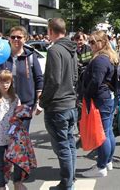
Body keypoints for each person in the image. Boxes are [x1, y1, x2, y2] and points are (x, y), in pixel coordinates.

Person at [0, 26, 43, 185]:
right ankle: (0, 176)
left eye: (19, 37)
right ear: (9, 39)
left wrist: (38, 101)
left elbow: (39, 79)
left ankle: (17, 179)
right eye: (13, 37)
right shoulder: (1, 56)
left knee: (18, 143)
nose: (16, 40)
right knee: (1, 141)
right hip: (3, 105)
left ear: (25, 39)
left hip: (24, 107)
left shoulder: (30, 56)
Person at [39, 18, 78, 190]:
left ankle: (67, 183)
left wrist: (42, 101)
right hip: (70, 103)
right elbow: (75, 76)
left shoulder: (55, 50)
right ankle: (70, 179)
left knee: (63, 146)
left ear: (51, 31)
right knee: (69, 144)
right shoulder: (71, 49)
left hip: (58, 106)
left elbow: (53, 80)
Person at [81, 31, 118, 178]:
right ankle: (107, 162)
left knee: (102, 133)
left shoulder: (100, 60)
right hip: (106, 98)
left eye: (93, 42)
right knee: (108, 131)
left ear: (102, 42)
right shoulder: (108, 56)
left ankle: (101, 166)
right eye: (89, 42)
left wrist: (87, 94)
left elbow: (96, 81)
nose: (90, 45)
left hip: (100, 99)